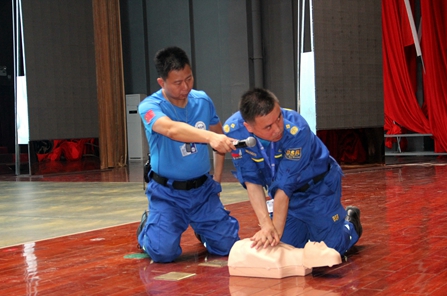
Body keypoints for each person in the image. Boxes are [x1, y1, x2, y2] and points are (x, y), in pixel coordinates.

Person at [223, 88, 362, 256]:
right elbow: (252, 180)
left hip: (317, 188)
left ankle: (350, 222)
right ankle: (311, 229)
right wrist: (266, 225)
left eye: (279, 117)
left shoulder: (297, 130)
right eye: (268, 127)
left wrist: (274, 235)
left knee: (330, 251)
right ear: (248, 127)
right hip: (286, 195)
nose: (278, 129)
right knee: (288, 249)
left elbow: (284, 188)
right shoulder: (234, 132)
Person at [137, 46, 240, 263]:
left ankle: (203, 230)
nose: (185, 87)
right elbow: (171, 130)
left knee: (228, 246)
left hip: (202, 191)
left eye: (189, 79)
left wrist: (217, 182)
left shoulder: (202, 100)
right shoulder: (149, 106)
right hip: (167, 193)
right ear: (161, 82)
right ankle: (147, 227)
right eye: (177, 83)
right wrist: (209, 137)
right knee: (162, 253)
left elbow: (219, 140)